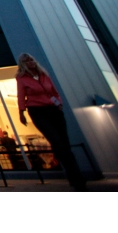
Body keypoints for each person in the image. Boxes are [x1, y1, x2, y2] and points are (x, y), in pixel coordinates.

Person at [16, 52, 86, 191]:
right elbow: (21, 95)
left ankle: (75, 177)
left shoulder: (44, 75)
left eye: (32, 59)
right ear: (23, 64)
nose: (31, 62)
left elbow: (54, 91)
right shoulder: (22, 78)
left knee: (65, 144)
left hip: (53, 110)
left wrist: (59, 103)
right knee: (57, 142)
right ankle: (76, 179)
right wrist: (21, 112)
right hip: (37, 111)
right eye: (27, 60)